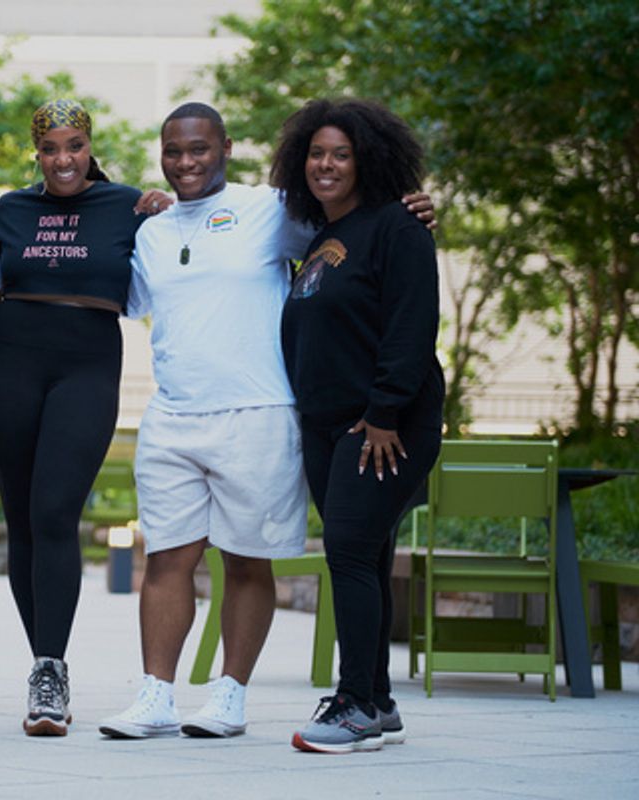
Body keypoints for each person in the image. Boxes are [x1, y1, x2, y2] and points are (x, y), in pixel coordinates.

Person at [98, 102, 434, 741]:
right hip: (172, 413)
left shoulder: (275, 209)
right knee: (166, 558)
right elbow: (129, 298)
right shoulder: (153, 232)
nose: (186, 162)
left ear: (225, 147)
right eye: (173, 151)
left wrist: (411, 210)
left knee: (247, 560)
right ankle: (156, 696)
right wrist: (132, 211)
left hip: (258, 411)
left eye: (199, 149)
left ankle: (230, 695)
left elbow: (360, 233)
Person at [0, 99, 164, 736]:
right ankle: (46, 667)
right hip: (12, 369)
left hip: (86, 370)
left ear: (90, 146)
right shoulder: (10, 209)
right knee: (22, 522)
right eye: (51, 148)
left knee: (56, 513)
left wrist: (175, 209)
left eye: (75, 146)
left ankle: (50, 667)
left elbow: (189, 240)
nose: (64, 159)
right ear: (37, 151)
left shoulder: (129, 205)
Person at [273, 98, 443, 753]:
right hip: (326, 425)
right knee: (364, 553)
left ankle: (353, 704)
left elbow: (411, 325)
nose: (326, 164)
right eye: (316, 153)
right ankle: (377, 699)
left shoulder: (399, 227)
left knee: (345, 550)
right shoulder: (320, 237)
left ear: (366, 159)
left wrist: (383, 413)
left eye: (340, 153)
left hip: (381, 424)